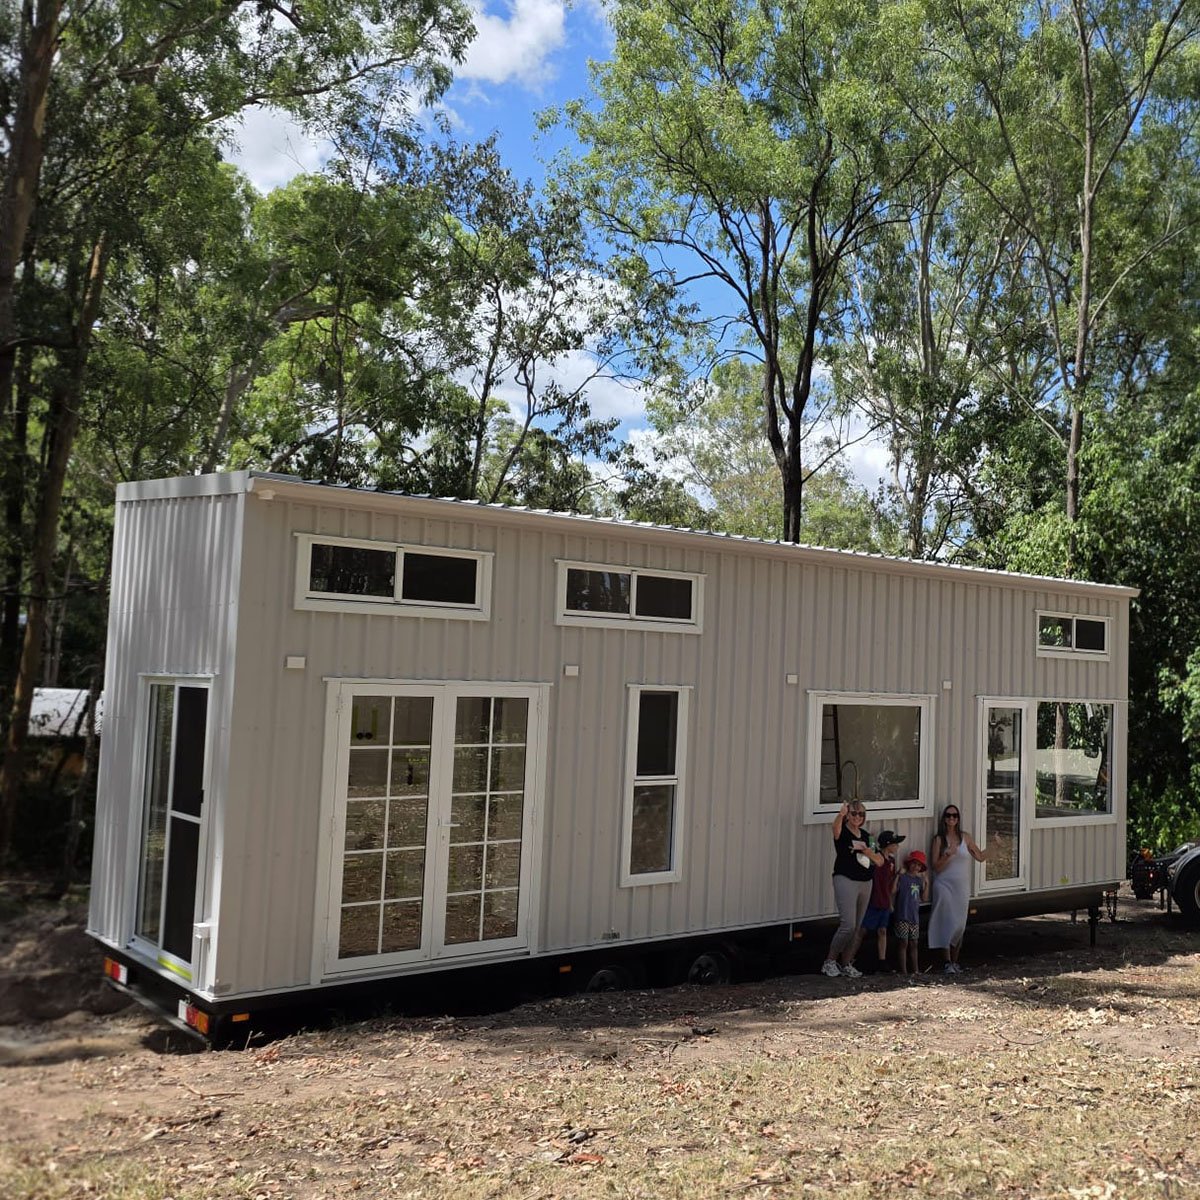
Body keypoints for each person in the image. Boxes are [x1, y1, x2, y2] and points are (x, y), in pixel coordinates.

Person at [821, 800, 884, 978]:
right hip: (846, 879)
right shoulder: (843, 832)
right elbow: (835, 830)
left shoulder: (867, 836)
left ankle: (847, 963)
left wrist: (867, 852)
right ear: (848, 815)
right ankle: (830, 961)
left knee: (857, 927)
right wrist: (840, 815)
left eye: (861, 814)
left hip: (866, 882)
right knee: (847, 924)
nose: (857, 817)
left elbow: (879, 860)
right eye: (854, 813)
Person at [928, 804, 988, 974]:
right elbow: (935, 867)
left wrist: (995, 847)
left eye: (955, 816)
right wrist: (947, 854)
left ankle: (955, 961)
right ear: (944, 819)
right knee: (947, 921)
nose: (951, 819)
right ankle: (947, 962)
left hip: (961, 887)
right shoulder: (939, 839)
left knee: (960, 924)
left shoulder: (965, 837)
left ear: (958, 818)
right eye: (948, 816)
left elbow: (980, 857)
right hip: (944, 885)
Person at [861, 830, 905, 969]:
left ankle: (882, 960)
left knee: (883, 930)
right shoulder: (877, 858)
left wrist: (890, 901)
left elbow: (890, 885)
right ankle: (849, 958)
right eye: (895, 843)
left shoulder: (891, 861)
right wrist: (872, 840)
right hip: (874, 899)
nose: (897, 846)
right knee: (862, 930)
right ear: (888, 845)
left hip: (885, 901)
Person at [894, 850, 929, 979]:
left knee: (914, 943)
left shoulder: (919, 881)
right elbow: (893, 890)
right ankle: (903, 971)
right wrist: (897, 876)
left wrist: (927, 883)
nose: (916, 867)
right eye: (914, 864)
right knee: (904, 942)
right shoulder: (903, 878)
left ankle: (915, 969)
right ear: (909, 864)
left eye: (919, 865)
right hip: (902, 914)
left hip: (914, 916)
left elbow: (924, 898)